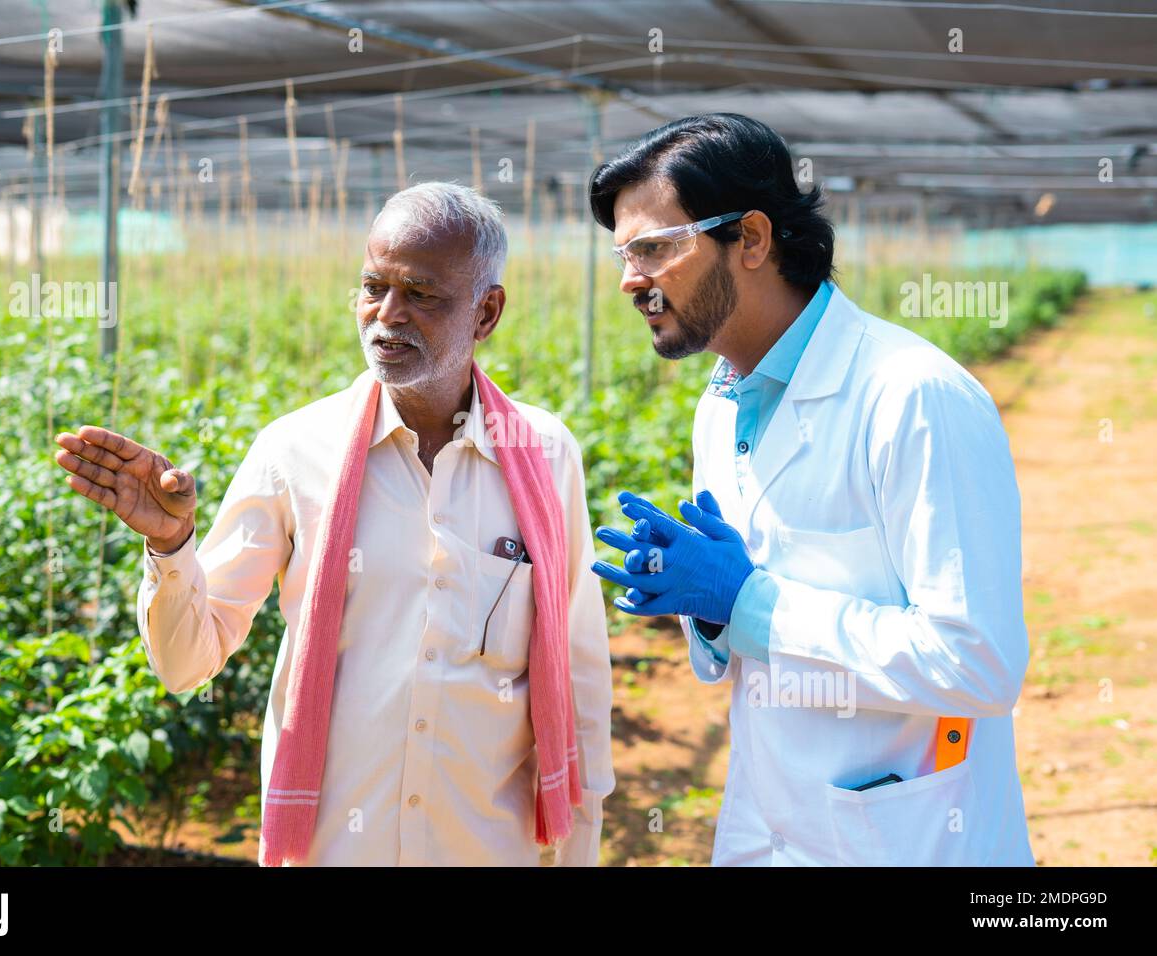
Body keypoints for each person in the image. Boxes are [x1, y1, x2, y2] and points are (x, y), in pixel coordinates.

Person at [55, 182, 613, 866]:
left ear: (487, 311)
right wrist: (171, 546)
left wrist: (580, 844)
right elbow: (184, 663)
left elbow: (577, 664)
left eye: (421, 293)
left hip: (487, 847)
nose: (387, 315)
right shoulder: (296, 452)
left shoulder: (544, 455)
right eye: (373, 286)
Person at [588, 113, 1034, 866]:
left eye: (656, 248)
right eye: (624, 254)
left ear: (753, 240)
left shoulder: (912, 396)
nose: (632, 279)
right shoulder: (720, 405)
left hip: (906, 835)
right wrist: (708, 611)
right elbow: (743, 650)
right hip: (765, 826)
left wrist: (748, 602)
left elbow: (978, 660)